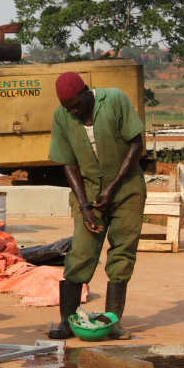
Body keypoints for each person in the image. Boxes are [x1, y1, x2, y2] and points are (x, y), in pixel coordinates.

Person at [46, 71, 146, 340]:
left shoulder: (114, 100)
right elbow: (69, 163)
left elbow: (136, 144)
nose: (74, 111)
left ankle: (112, 320)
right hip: (89, 191)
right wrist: (84, 207)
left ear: (87, 91)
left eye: (77, 105)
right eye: (69, 108)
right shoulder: (62, 116)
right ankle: (67, 321)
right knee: (81, 251)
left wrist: (112, 188)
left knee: (123, 251)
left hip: (126, 188)